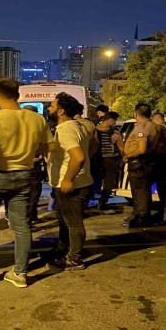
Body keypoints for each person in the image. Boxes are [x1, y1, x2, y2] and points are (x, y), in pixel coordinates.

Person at [0, 79, 53, 289]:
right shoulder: (36, 119)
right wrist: (31, 153)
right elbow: (49, 146)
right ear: (18, 94)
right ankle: (20, 273)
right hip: (23, 175)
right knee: (22, 225)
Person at [47, 93, 93, 270]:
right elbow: (93, 146)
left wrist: (68, 179)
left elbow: (78, 156)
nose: (48, 108)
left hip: (72, 184)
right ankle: (64, 251)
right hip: (76, 180)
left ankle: (75, 258)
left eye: (52, 106)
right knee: (65, 220)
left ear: (61, 111)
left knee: (73, 222)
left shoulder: (66, 129)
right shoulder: (78, 126)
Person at [122, 103, 164, 228]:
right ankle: (139, 214)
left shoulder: (143, 127)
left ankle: (142, 217)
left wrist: (127, 156)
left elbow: (141, 149)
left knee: (139, 190)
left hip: (139, 162)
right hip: (149, 162)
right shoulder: (155, 126)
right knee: (144, 190)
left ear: (136, 114)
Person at [95, 111, 125, 212]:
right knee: (109, 182)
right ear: (110, 120)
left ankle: (87, 203)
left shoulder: (94, 130)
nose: (115, 123)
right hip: (111, 160)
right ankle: (102, 202)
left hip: (98, 160)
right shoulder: (115, 133)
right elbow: (121, 147)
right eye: (115, 120)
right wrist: (124, 156)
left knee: (95, 181)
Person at [24, 105, 46, 227]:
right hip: (34, 162)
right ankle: (31, 216)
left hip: (18, 164)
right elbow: (46, 145)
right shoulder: (39, 125)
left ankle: (19, 218)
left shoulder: (15, 124)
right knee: (34, 191)